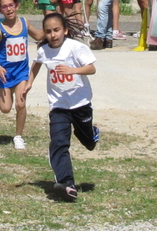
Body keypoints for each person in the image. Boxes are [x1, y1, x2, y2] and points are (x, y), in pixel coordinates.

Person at [21, 12, 99, 202]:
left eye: (56, 30)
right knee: (59, 142)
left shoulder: (75, 48)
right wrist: (29, 82)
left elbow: (91, 68)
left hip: (80, 104)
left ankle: (93, 133)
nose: (53, 35)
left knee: (88, 142)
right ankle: (67, 183)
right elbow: (37, 64)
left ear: (65, 30)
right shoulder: (44, 50)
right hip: (59, 106)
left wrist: (73, 70)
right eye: (48, 31)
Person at [0, 0, 44, 150]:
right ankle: (7, 91)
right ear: (0, 10)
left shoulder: (24, 22)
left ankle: (18, 136)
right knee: (5, 109)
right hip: (5, 73)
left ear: (17, 6)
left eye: (11, 5)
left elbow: (38, 36)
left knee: (20, 104)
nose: (9, 9)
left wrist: (50, 28)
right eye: (4, 7)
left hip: (21, 72)